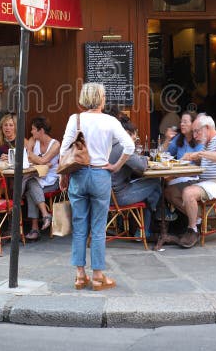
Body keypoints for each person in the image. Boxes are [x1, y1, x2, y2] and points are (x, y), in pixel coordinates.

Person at [60, 82, 133, 291]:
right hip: (101, 174)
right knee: (99, 228)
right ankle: (99, 276)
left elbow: (64, 149)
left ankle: (80, 275)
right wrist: (117, 166)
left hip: (78, 174)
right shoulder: (110, 121)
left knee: (79, 225)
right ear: (101, 99)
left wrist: (62, 177)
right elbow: (129, 146)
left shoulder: (76, 119)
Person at [174, 113, 216, 249]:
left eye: (197, 131)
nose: (195, 135)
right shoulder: (207, 144)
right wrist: (190, 159)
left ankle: (193, 230)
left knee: (188, 193)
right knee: (169, 191)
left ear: (207, 128)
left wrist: (200, 154)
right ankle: (197, 219)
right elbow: (204, 165)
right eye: (194, 132)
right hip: (206, 183)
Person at [108, 117, 161, 239]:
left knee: (148, 191)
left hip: (106, 194)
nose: (135, 140)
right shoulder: (123, 147)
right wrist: (144, 158)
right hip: (118, 196)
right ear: (126, 134)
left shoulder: (110, 144)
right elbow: (141, 166)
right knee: (155, 182)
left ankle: (144, 230)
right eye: (134, 137)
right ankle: (157, 214)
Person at [162, 110, 204, 228]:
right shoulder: (180, 138)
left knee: (165, 185)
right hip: (180, 175)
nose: (182, 124)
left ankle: (172, 217)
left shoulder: (200, 140)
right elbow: (164, 154)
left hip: (195, 178)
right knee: (165, 188)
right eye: (181, 122)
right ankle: (195, 218)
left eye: (185, 122)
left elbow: (203, 162)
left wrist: (193, 158)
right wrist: (167, 139)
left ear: (194, 124)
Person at [22, 117, 60, 240]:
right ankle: (45, 215)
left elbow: (42, 160)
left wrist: (31, 155)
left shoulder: (55, 144)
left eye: (33, 129)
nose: (31, 132)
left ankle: (35, 229)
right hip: (37, 177)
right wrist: (41, 161)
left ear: (41, 130)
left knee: (30, 190)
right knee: (32, 185)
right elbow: (29, 159)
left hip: (52, 180)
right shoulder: (33, 140)